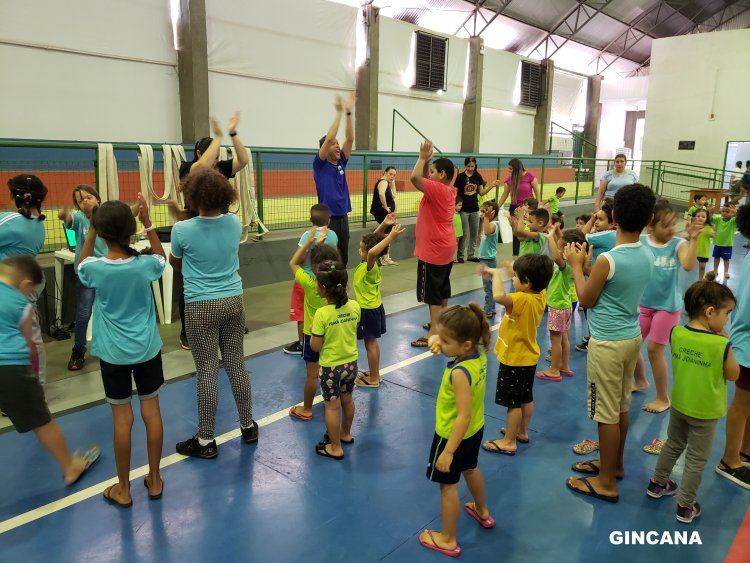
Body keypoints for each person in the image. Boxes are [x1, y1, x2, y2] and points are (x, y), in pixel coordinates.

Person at [565, 183, 656, 503]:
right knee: (621, 406)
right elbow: (613, 289)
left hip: (606, 343)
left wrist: (577, 267)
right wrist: (590, 270)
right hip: (631, 338)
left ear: (614, 216)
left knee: (606, 413)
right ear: (647, 220)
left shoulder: (609, 260)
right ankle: (613, 465)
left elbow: (587, 299)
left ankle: (606, 482)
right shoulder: (646, 250)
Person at [78, 196, 165, 506]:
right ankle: (155, 480)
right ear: (132, 231)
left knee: (122, 419)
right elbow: (160, 257)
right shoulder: (145, 265)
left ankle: (124, 489)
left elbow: (82, 264)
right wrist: (148, 222)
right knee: (151, 412)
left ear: (101, 233)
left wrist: (91, 226)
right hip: (147, 348)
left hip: (113, 354)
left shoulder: (96, 269)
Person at [172, 169, 258, 459]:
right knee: (236, 364)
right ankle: (248, 425)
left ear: (192, 196)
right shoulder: (234, 224)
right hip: (234, 300)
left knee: (207, 369)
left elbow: (175, 262)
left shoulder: (181, 230)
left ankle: (206, 440)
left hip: (200, 305)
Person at [0, 255, 100, 486]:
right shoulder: (21, 303)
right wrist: (34, 377)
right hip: (10, 368)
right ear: (25, 285)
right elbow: (31, 347)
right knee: (42, 421)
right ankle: (70, 467)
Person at [646, 274, 738, 523]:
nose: (727, 319)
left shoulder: (677, 333)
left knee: (673, 444)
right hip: (705, 412)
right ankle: (686, 505)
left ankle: (657, 483)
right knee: (696, 459)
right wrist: (727, 345)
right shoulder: (721, 345)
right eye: (726, 313)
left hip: (680, 404)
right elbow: (733, 374)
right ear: (710, 312)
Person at [420, 303, 494, 557]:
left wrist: (448, 451)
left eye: (446, 340)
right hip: (475, 430)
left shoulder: (459, 373)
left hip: (452, 435)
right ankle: (482, 510)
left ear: (465, 345)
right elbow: (444, 343)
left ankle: (448, 538)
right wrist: (438, 341)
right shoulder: (477, 356)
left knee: (448, 487)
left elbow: (462, 415)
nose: (440, 343)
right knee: (471, 469)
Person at [175, 113, 250, 350]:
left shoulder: (220, 168)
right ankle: (188, 332)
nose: (216, 163)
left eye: (218, 158)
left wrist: (233, 134)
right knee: (188, 281)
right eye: (213, 156)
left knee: (225, 274)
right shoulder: (188, 167)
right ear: (200, 152)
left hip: (216, 228)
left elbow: (243, 159)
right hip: (195, 230)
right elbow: (200, 167)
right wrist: (218, 135)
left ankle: (229, 322)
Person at [481, 255, 553, 455]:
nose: (512, 279)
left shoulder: (521, 299)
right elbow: (525, 276)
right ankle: (521, 431)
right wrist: (513, 267)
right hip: (529, 358)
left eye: (515, 277)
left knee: (512, 403)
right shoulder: (540, 293)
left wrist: (496, 274)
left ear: (527, 282)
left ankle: (509, 441)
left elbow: (498, 297)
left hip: (514, 358)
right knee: (525, 398)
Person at [632, 201, 700, 413]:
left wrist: (694, 239)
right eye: (666, 225)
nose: (672, 229)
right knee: (631, 345)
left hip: (667, 307)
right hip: (643, 304)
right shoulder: (641, 241)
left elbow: (688, 264)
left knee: (654, 350)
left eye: (674, 224)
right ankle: (641, 381)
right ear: (651, 226)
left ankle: (663, 398)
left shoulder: (677, 244)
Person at [1, 175, 48, 387]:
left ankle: (25, 388)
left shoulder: (11, 222)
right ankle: (33, 384)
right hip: (25, 284)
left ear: (14, 196)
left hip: (10, 287)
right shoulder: (38, 224)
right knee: (28, 335)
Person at [310, 260, 360, 460]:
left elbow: (316, 346)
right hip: (351, 363)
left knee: (331, 406)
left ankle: (335, 447)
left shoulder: (322, 314)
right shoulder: (355, 306)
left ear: (322, 288)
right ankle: (345, 433)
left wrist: (315, 329)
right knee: (347, 399)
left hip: (331, 367)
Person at [409, 140, 457, 348]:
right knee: (442, 288)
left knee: (432, 293)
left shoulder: (438, 190)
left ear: (442, 176)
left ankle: (434, 333)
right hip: (446, 247)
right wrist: (428, 162)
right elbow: (424, 178)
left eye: (434, 171)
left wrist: (421, 158)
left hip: (433, 250)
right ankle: (441, 324)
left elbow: (415, 178)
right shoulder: (447, 191)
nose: (431, 174)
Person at [288, 233, 341, 421]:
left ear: (313, 266)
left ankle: (307, 408)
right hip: (335, 333)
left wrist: (309, 242)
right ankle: (337, 401)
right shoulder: (340, 286)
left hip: (313, 336)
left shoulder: (310, 283)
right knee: (336, 369)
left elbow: (293, 263)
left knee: (312, 375)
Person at [716, 203, 750, 489]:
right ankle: (730, 460)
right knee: (742, 404)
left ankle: (745, 452)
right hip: (748, 347)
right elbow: (747, 310)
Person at [58, 185, 108, 371]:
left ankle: (108, 346)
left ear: (98, 199)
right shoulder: (79, 218)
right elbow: (66, 218)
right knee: (84, 313)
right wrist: (64, 212)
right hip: (86, 274)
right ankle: (78, 351)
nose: (85, 201)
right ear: (78, 206)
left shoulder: (106, 216)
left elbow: (129, 213)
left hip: (106, 272)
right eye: (80, 200)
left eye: (88, 197)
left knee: (107, 311)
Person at [354, 221, 405, 388]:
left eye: (362, 249)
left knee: (370, 344)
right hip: (374, 307)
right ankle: (375, 372)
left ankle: (374, 378)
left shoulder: (371, 264)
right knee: (372, 343)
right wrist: (383, 224)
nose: (359, 250)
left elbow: (372, 252)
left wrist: (390, 237)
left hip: (367, 310)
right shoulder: (375, 262)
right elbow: (374, 243)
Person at [282, 204, 338, 356]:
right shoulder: (333, 235)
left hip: (307, 280)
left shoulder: (308, 235)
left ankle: (303, 343)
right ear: (329, 220)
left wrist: (310, 243)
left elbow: (297, 259)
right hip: (326, 279)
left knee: (301, 313)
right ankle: (324, 337)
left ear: (310, 219)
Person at [537, 229, 586, 382]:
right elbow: (559, 251)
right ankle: (564, 365)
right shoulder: (574, 263)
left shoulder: (566, 265)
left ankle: (554, 369)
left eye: (561, 245)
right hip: (564, 305)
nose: (558, 247)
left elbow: (556, 257)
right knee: (564, 337)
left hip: (558, 306)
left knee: (555, 339)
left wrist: (551, 237)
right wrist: (558, 234)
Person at [314, 94, 355, 267]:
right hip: (327, 219)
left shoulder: (341, 163)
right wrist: (338, 113)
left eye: (338, 144)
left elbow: (350, 139)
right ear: (325, 148)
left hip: (342, 218)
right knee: (327, 258)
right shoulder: (320, 164)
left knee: (342, 257)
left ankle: (341, 288)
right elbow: (330, 138)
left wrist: (348, 113)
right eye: (334, 144)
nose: (337, 146)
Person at [575, 199, 616, 353]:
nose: (596, 222)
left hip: (594, 276)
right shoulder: (609, 234)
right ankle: (592, 335)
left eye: (600, 219)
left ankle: (594, 337)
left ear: (612, 223)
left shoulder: (605, 235)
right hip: (596, 275)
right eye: (596, 218)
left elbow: (579, 235)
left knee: (590, 308)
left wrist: (591, 219)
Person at [496, 158, 541, 257]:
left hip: (529, 208)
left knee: (529, 230)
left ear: (517, 168)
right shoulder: (509, 180)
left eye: (511, 169)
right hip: (515, 209)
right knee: (516, 233)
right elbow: (504, 195)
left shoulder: (530, 176)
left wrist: (538, 205)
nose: (509, 171)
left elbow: (537, 191)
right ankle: (516, 256)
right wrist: (496, 208)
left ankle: (532, 254)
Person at [454, 156, 492, 263]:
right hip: (463, 210)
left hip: (474, 209)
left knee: (474, 233)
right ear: (465, 166)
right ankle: (460, 255)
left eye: (472, 166)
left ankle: (471, 254)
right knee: (465, 233)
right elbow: (455, 192)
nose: (471, 168)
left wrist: (492, 186)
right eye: (468, 166)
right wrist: (455, 205)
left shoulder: (477, 176)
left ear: (475, 165)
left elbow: (481, 192)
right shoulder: (460, 177)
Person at [369, 166, 399, 265]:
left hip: (386, 213)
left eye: (394, 175)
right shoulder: (383, 182)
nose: (392, 176)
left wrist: (393, 183)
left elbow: (394, 195)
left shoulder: (388, 183)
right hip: (381, 212)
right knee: (387, 234)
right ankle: (384, 257)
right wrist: (386, 207)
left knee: (386, 233)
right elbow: (381, 194)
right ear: (384, 173)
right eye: (390, 174)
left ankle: (382, 257)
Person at [477, 201, 501, 318]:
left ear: (492, 213)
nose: (481, 214)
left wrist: (485, 219)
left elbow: (487, 231)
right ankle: (491, 306)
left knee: (488, 287)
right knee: (489, 286)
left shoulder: (493, 224)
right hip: (485, 259)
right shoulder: (488, 223)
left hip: (488, 260)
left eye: (484, 211)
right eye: (481, 211)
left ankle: (489, 310)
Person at [712, 201, 737, 279]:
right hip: (718, 243)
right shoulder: (718, 219)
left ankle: (726, 271)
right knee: (716, 258)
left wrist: (735, 212)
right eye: (723, 211)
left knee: (726, 259)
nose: (725, 213)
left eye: (727, 211)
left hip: (727, 244)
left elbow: (738, 218)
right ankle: (715, 270)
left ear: (732, 212)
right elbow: (710, 218)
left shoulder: (732, 221)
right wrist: (709, 211)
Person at [691, 208, 714, 279]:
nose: (700, 218)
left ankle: (700, 279)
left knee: (702, 267)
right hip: (693, 250)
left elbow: (713, 235)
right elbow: (689, 236)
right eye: (698, 216)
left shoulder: (708, 227)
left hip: (703, 251)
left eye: (703, 217)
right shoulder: (693, 226)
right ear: (694, 217)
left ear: (706, 218)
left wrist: (710, 233)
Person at [453, 196, 464, 263]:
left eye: (461, 205)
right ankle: (452, 258)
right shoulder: (452, 214)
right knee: (454, 245)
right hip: (454, 233)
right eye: (459, 205)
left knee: (456, 245)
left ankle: (454, 258)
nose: (461, 207)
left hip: (458, 232)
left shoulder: (458, 213)